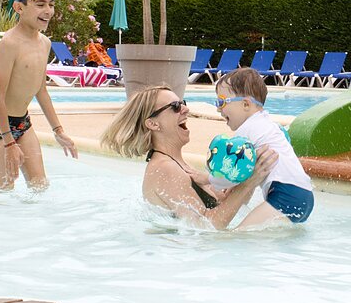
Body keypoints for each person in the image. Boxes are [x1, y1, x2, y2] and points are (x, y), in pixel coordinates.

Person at [100, 85, 279, 230]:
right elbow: (208, 226)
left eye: (182, 102)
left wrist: (248, 172)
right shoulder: (164, 168)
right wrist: (250, 182)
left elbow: (228, 207)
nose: (185, 109)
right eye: (175, 107)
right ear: (153, 123)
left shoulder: (180, 165)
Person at [0, 0, 78, 190]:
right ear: (19, 7)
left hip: (22, 122)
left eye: (51, 5)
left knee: (40, 186)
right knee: (4, 190)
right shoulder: (10, 43)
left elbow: (40, 90)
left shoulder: (45, 43)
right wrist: (9, 143)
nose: (48, 11)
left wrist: (58, 130)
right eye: (40, 4)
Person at [214, 67, 315, 226]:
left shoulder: (246, 131)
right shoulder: (267, 125)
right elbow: (246, 180)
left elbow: (228, 175)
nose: (218, 109)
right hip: (304, 195)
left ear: (246, 104)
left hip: (285, 195)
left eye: (221, 102)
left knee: (238, 236)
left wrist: (205, 180)